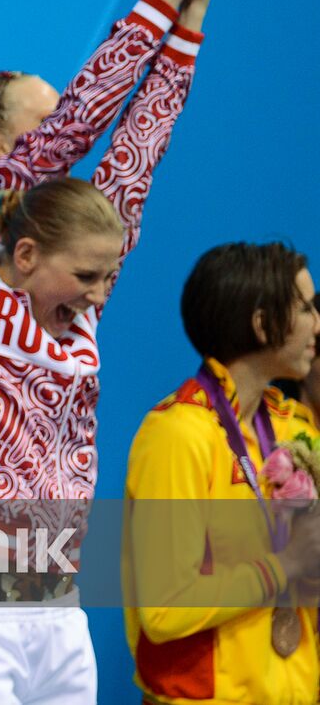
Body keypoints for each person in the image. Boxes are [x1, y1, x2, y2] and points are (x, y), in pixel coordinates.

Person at [0, 0, 234, 699]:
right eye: (42, 125)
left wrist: (190, 26)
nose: (69, 132)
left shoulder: (71, 286)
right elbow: (82, 125)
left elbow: (136, 152)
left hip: (50, 599)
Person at [0, 0, 236, 259]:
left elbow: (132, 164)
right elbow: (76, 124)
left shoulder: (74, 254)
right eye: (46, 121)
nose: (60, 131)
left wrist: (192, 9)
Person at [125, 242, 320, 704]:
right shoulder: (178, 435)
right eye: (307, 308)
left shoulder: (295, 426)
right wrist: (285, 565)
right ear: (261, 324)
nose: (318, 323)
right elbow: (165, 606)